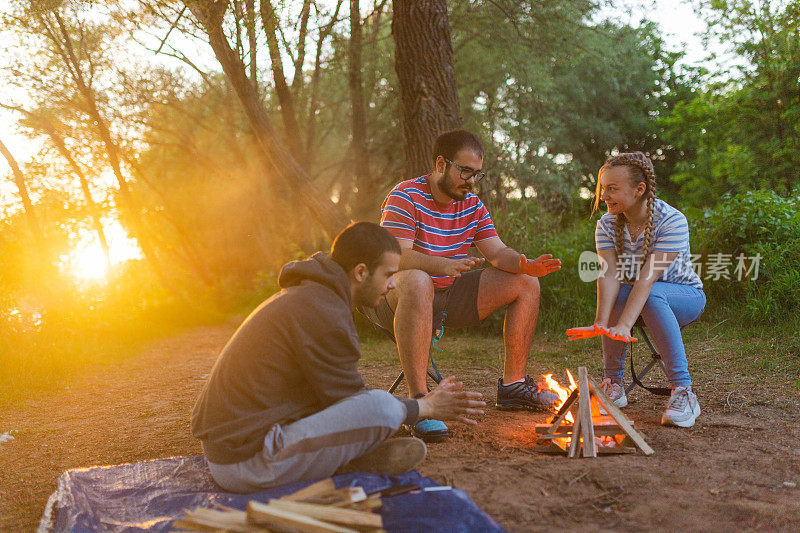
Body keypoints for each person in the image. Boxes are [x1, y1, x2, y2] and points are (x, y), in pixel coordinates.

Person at [191, 222, 485, 493]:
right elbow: (355, 405)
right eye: (388, 274)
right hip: (245, 461)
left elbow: (334, 399)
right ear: (360, 273)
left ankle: (343, 458)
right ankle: (348, 460)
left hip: (238, 445)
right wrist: (427, 406)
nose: (393, 285)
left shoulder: (315, 296)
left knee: (375, 406)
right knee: (380, 406)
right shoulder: (323, 310)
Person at [376, 129, 562, 442]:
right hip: (393, 296)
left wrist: (522, 264)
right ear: (440, 164)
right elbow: (395, 257)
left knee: (526, 282)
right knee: (421, 280)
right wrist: (441, 265)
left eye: (477, 173)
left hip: (448, 294)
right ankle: (421, 402)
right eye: (465, 171)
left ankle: (513, 386)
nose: (471, 180)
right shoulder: (404, 196)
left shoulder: (472, 205)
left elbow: (498, 253)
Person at [573, 152, 706, 428]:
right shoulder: (607, 224)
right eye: (602, 188)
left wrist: (624, 325)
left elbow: (646, 280)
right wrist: (601, 322)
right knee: (621, 292)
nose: (604, 195)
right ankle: (614, 384)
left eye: (612, 188)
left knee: (653, 293)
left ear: (639, 189)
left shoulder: (672, 221)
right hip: (643, 300)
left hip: (685, 297)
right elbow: (608, 274)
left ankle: (684, 390)